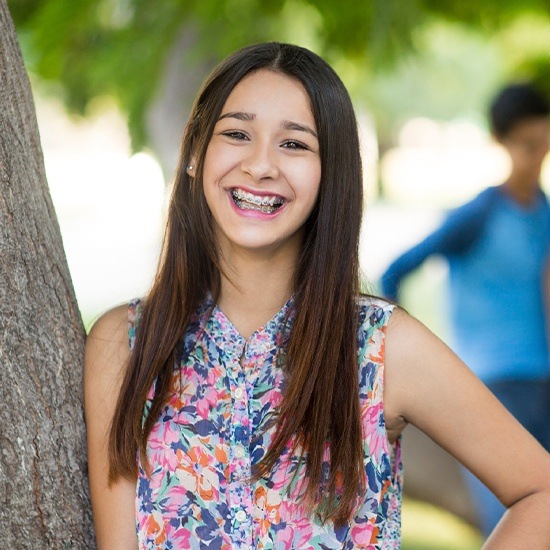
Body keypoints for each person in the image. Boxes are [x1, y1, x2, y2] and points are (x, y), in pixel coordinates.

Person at [84, 43, 550, 549]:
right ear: (195, 153)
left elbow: (539, 491)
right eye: (237, 134)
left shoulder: (382, 347)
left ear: (332, 171)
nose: (261, 165)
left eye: (295, 145)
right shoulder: (125, 344)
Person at [381, 82, 550, 538]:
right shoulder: (477, 214)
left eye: (545, 143)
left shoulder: (545, 212)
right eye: (526, 145)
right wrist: (410, 358)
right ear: (503, 143)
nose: (536, 157)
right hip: (494, 389)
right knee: (512, 525)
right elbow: (396, 271)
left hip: (544, 385)